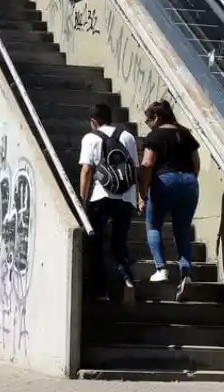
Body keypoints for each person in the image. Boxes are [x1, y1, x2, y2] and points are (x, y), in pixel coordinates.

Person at [138, 99, 201, 301]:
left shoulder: (155, 135)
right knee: (182, 229)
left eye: (149, 119)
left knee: (154, 225)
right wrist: (188, 181)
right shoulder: (186, 134)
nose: (148, 124)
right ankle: (186, 272)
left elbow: (147, 164)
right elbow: (195, 163)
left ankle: (161, 269)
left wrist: (142, 192)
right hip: (189, 182)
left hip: (164, 181)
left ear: (156, 117)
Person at [79, 103, 140, 303]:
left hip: (101, 197)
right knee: (119, 243)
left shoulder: (91, 137)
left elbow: (87, 170)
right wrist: (138, 197)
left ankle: (101, 291)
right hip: (126, 198)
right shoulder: (128, 136)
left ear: (93, 121)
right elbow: (134, 170)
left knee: (95, 243)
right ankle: (127, 281)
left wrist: (83, 198)